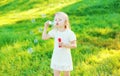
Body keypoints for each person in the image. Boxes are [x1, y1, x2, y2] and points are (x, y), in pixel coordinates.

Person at [42, 12, 77, 76]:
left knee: (66, 74)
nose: (57, 21)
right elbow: (44, 37)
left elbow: (74, 45)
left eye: (60, 20)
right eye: (55, 20)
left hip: (65, 57)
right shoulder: (55, 31)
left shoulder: (70, 33)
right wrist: (45, 28)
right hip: (56, 56)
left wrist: (65, 45)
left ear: (65, 22)